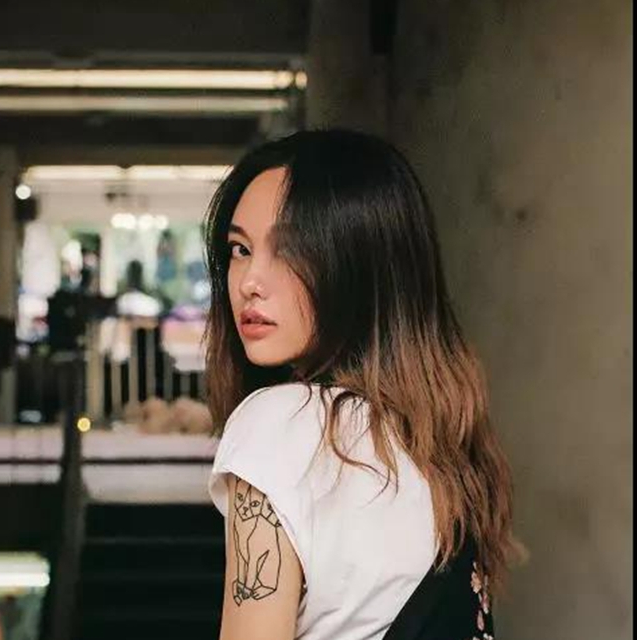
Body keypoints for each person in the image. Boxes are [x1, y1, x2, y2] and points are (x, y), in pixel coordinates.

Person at [205, 129, 522, 640]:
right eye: (240, 249)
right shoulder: (447, 446)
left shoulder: (277, 425)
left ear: (361, 262)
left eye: (288, 251)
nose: (248, 282)